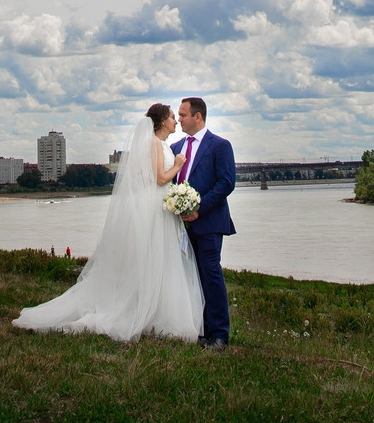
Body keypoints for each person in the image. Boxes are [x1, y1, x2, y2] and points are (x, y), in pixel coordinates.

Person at [13, 103, 205, 342]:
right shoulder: (154, 143)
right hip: (155, 208)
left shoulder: (163, 144)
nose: (176, 121)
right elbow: (158, 179)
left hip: (161, 208)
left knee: (160, 261)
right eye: (173, 117)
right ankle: (139, 312)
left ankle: (156, 314)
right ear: (162, 121)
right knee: (152, 259)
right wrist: (177, 166)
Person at [172, 96, 236, 350]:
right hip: (181, 225)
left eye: (183, 115)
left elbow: (226, 182)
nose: (179, 119)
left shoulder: (220, 145)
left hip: (209, 222)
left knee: (210, 274)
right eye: (178, 115)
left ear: (198, 116)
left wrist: (199, 208)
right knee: (191, 277)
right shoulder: (175, 147)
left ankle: (219, 334)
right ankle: (200, 330)